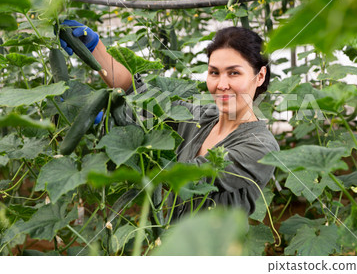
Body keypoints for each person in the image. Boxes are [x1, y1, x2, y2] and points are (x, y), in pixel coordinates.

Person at [59, 20, 279, 220]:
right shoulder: (199, 117)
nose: (221, 84)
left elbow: (188, 177)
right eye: (214, 72)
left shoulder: (262, 147)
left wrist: (118, 128)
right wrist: (94, 48)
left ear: (259, 76)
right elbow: (138, 93)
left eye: (233, 73)